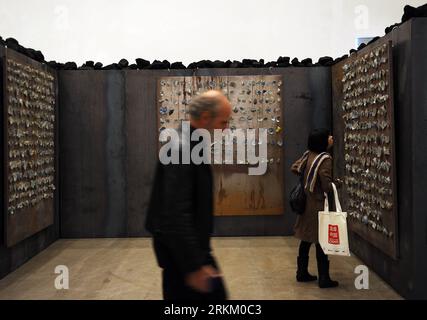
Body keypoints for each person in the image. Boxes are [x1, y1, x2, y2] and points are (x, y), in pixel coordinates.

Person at [146, 90, 232, 300]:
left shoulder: (190, 145)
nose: (226, 128)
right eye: (224, 122)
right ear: (205, 118)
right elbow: (175, 214)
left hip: (189, 250)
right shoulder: (181, 150)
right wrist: (194, 267)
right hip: (182, 255)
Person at [291, 128, 339, 288]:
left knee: (306, 239)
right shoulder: (325, 159)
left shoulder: (308, 154)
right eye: (328, 136)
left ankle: (301, 272)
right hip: (317, 204)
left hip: (306, 202)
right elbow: (326, 185)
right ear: (323, 141)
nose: (331, 138)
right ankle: (324, 277)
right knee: (321, 241)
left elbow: (295, 167)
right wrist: (336, 184)